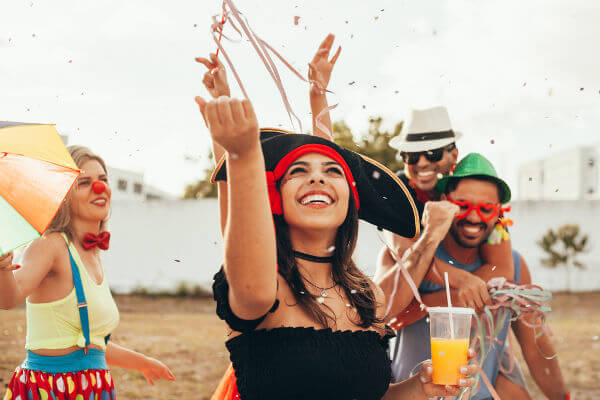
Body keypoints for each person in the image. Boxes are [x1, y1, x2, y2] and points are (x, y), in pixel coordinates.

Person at [194, 80, 479, 398]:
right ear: (275, 197)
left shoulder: (367, 296)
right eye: (297, 171)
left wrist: (422, 385)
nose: (317, 177)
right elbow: (241, 223)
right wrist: (242, 155)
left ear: (350, 200)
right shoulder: (263, 285)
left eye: (333, 172)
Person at [0, 146, 174, 400]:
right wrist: (3, 266)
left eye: (103, 179)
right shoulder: (50, 244)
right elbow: (8, 299)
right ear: (64, 195)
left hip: (92, 387)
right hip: (51, 390)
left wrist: (141, 362)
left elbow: (88, 343)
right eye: (84, 182)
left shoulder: (91, 254)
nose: (99, 187)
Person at [494, 254, 569, 400]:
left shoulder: (513, 262)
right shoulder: (436, 264)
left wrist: (562, 397)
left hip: (495, 370)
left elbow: (534, 344)